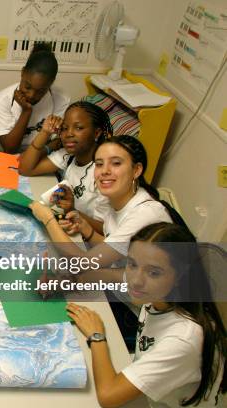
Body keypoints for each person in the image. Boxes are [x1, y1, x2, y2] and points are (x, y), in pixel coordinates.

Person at [67, 223, 225, 407]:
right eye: (132, 264)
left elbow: (108, 396)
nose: (135, 280)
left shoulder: (183, 339)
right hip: (154, 389)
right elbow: (106, 275)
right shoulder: (158, 293)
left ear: (180, 276)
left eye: (154, 272)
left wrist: (96, 336)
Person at [28, 136, 177, 270]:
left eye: (116, 163)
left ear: (136, 170)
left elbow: (83, 264)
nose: (104, 171)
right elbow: (113, 245)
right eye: (99, 164)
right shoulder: (113, 197)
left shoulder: (145, 215)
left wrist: (47, 219)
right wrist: (86, 229)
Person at [19, 101, 112, 222]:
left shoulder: (104, 173)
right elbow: (26, 168)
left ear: (96, 133)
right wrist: (45, 133)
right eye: (64, 128)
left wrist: (72, 210)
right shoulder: (68, 155)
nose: (69, 134)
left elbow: (104, 229)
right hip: (68, 219)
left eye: (78, 128)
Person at [0, 42, 70, 153]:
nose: (31, 95)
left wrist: (35, 155)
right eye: (27, 87)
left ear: (51, 83)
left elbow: (59, 139)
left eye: (41, 91)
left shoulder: (60, 99)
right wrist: (26, 111)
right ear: (22, 72)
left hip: (41, 154)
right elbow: (9, 148)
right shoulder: (3, 99)